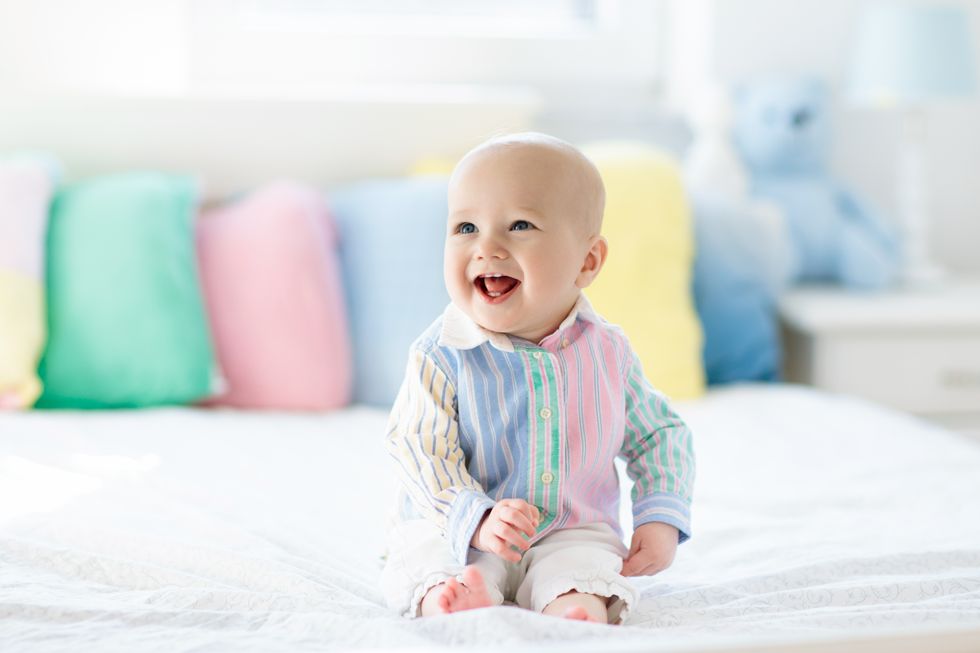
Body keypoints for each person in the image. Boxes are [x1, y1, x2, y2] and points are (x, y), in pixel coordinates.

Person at [381, 132, 695, 624]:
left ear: (587, 261)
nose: (487, 246)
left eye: (520, 224)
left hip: (571, 526)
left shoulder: (607, 352)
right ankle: (458, 592)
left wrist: (660, 515)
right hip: (459, 522)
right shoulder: (440, 355)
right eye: (465, 227)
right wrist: (477, 519)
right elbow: (419, 447)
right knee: (427, 552)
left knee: (587, 561)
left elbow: (660, 434)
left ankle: (572, 600)